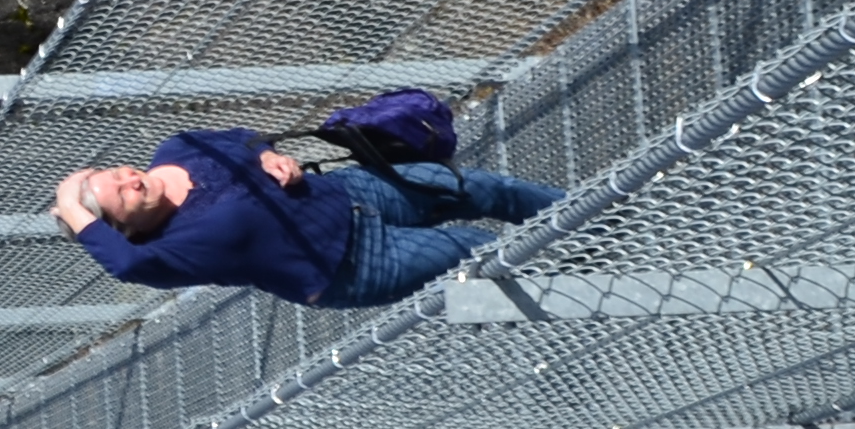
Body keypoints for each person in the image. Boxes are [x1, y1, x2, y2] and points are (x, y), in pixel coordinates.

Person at [50, 129, 560, 307]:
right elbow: (124, 267)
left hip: (350, 192)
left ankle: (600, 216)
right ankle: (592, 274)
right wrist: (72, 209)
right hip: (355, 265)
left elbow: (241, 138)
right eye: (117, 197)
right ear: (126, 228)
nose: (125, 180)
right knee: (476, 250)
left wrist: (268, 156)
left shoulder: (176, 148)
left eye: (113, 174)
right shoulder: (166, 254)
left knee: (486, 188)